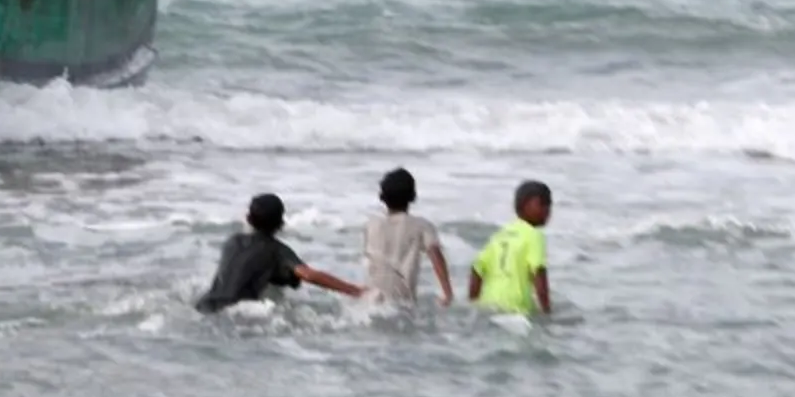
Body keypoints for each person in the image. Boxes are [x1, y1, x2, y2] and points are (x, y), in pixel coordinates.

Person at [196, 192, 366, 311]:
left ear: (248, 218)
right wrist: (354, 290)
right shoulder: (277, 250)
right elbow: (308, 275)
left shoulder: (232, 241)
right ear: (281, 223)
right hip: (236, 312)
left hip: (204, 304)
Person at [363, 167, 453, 307]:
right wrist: (448, 293)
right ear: (413, 196)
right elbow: (436, 256)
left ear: (382, 197)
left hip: (369, 298)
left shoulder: (371, 225)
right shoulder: (422, 226)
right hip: (402, 301)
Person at [469, 180, 554, 315]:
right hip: (516, 308)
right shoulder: (534, 235)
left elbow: (476, 269)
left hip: (489, 305)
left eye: (549, 205)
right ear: (525, 205)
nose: (548, 210)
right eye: (543, 204)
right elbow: (539, 273)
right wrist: (547, 311)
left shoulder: (500, 235)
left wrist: (473, 304)